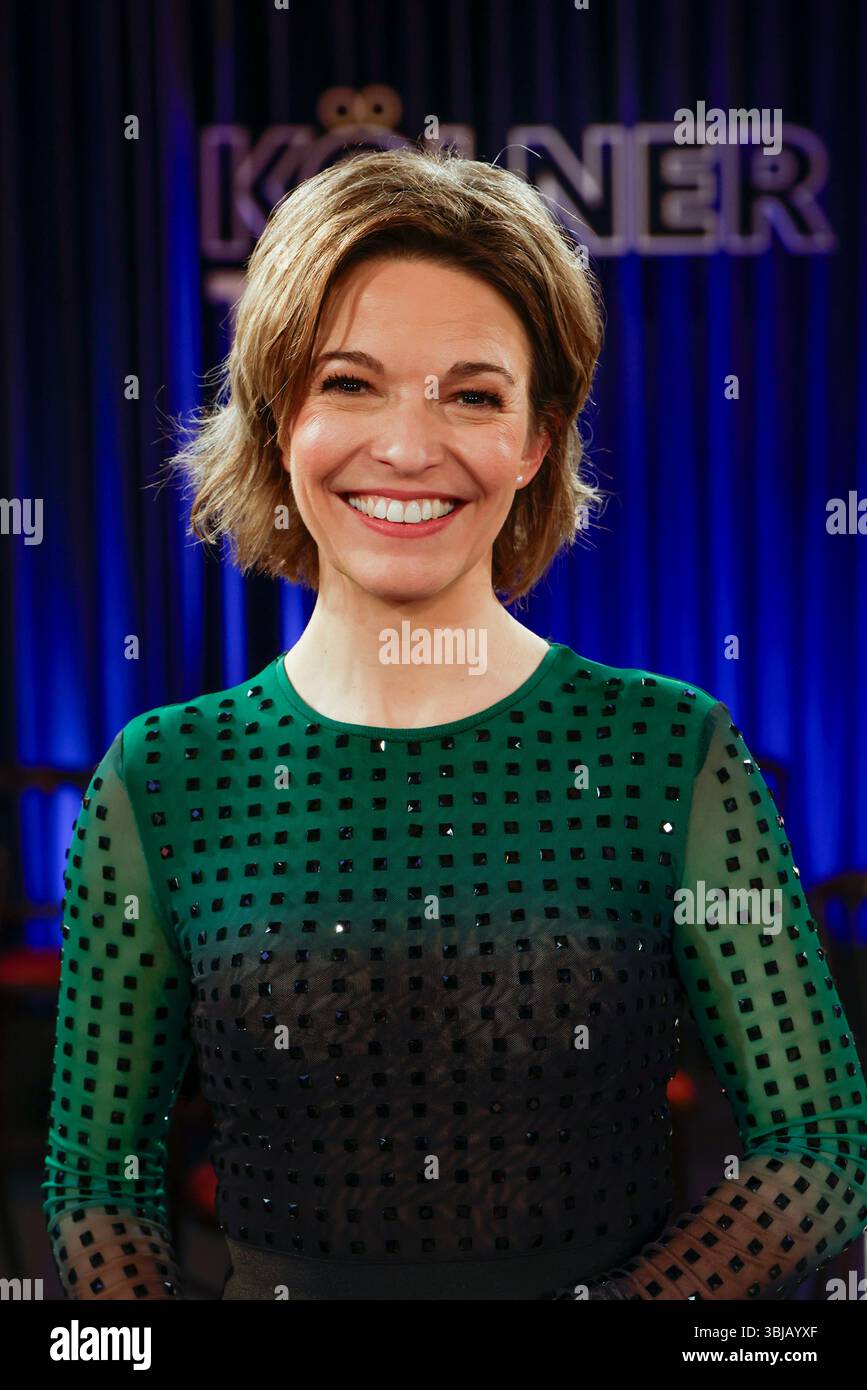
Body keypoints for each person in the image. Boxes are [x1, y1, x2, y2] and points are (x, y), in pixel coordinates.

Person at [42, 145, 867, 1301]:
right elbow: (97, 1180)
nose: (409, 447)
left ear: (535, 440)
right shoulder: (163, 774)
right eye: (349, 382)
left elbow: (815, 1147)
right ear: (281, 416)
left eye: (472, 394)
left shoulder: (670, 751)